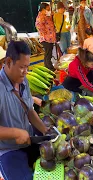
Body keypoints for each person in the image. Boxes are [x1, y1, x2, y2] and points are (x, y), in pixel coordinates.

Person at [0, 41, 48, 179]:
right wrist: (15, 133)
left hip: (28, 141)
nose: (26, 72)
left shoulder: (23, 81)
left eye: (27, 67)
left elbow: (29, 110)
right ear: (8, 62)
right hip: (8, 150)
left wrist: (45, 130)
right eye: (22, 67)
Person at [35, 3, 56, 71]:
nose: (49, 10)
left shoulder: (46, 15)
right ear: (43, 9)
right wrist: (47, 34)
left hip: (50, 38)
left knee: (48, 54)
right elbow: (40, 28)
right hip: (46, 39)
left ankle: (48, 68)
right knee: (48, 55)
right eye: (48, 9)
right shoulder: (40, 17)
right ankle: (50, 68)